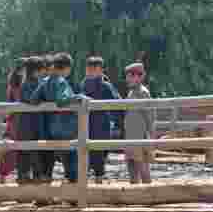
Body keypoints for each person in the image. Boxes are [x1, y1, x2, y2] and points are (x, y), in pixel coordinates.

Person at [28, 52, 85, 183]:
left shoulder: (44, 81)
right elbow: (61, 100)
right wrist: (77, 97)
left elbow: (33, 99)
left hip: (51, 128)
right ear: (66, 68)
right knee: (71, 159)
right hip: (66, 127)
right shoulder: (61, 81)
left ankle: (46, 193)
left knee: (49, 160)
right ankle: (74, 194)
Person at [79, 56, 121, 184]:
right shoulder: (105, 86)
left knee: (84, 159)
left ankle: (83, 187)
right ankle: (98, 185)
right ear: (100, 69)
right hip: (101, 127)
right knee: (100, 160)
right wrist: (119, 123)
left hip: (84, 127)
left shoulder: (82, 85)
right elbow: (118, 103)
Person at [123, 62, 154, 184]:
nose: (128, 79)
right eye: (127, 76)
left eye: (131, 76)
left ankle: (148, 192)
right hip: (130, 135)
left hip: (140, 136)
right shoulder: (131, 93)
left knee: (142, 165)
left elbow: (149, 116)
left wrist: (150, 134)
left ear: (139, 77)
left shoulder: (143, 92)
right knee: (131, 165)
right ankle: (134, 191)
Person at [17, 57, 44, 184]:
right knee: (30, 153)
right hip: (29, 123)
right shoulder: (29, 83)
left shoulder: (31, 82)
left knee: (31, 152)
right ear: (36, 70)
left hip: (31, 122)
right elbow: (31, 100)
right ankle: (28, 180)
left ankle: (28, 179)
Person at [0, 59, 25, 184]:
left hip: (13, 119)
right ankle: (22, 175)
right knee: (20, 147)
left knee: (9, 148)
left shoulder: (12, 82)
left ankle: (3, 176)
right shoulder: (22, 83)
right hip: (21, 119)